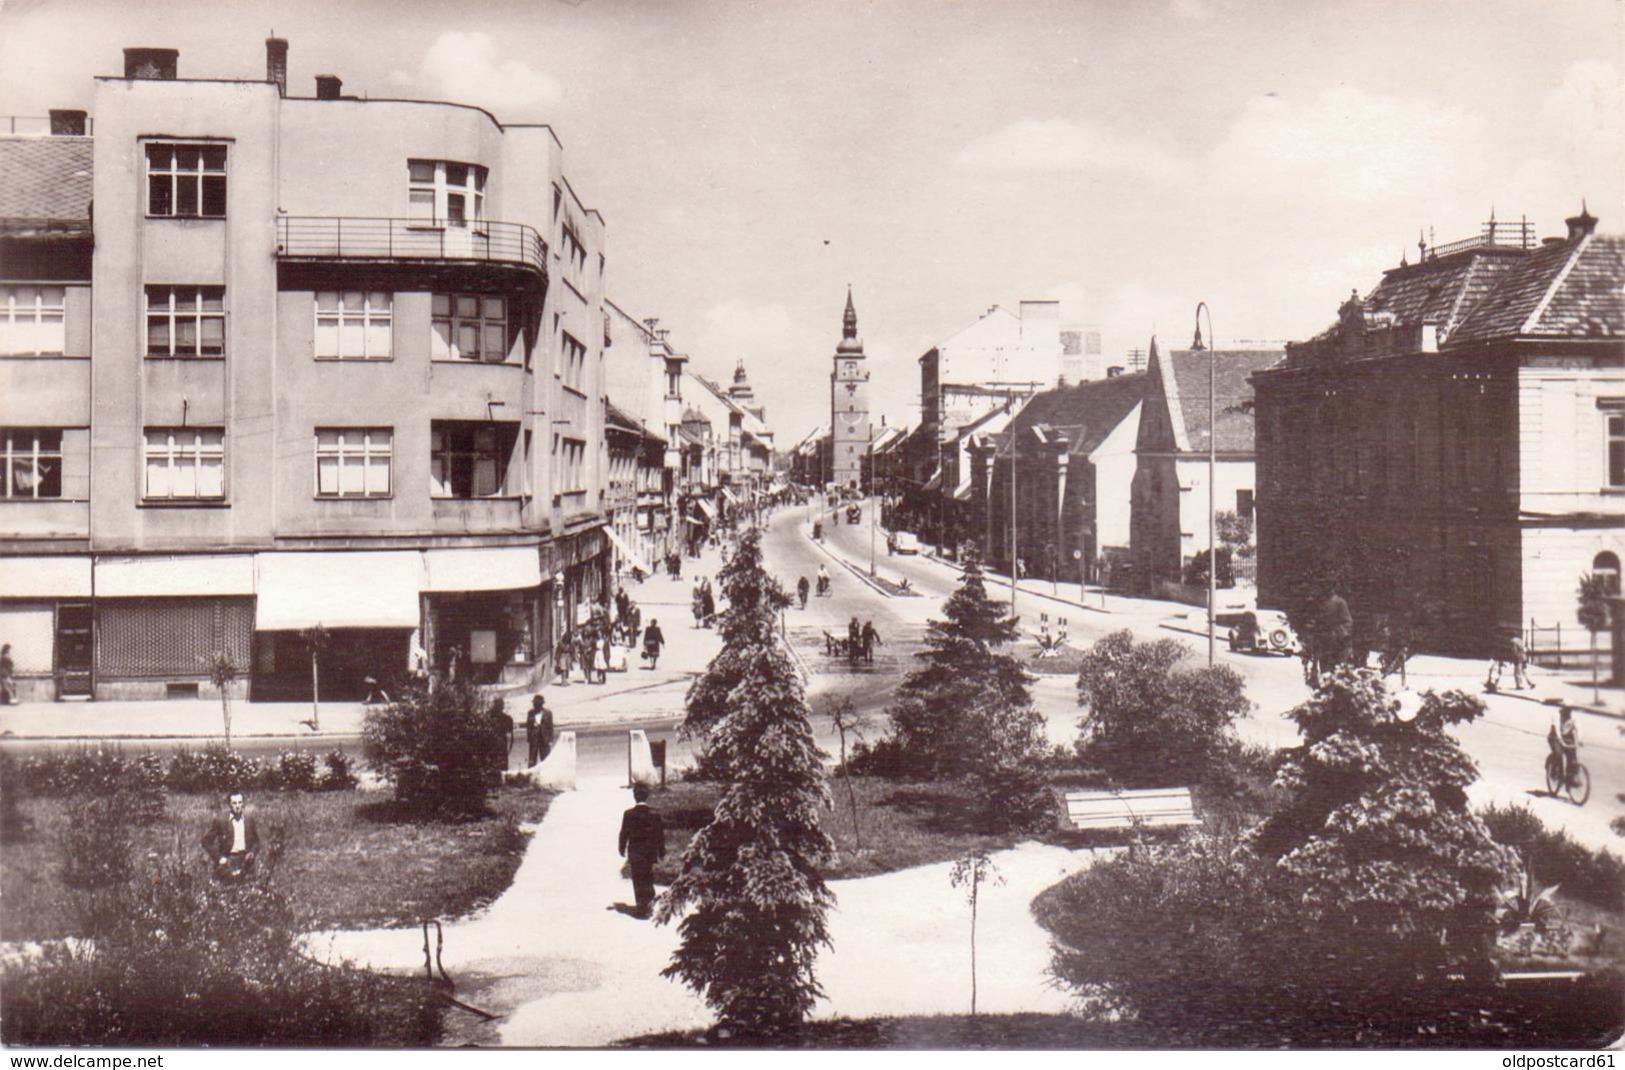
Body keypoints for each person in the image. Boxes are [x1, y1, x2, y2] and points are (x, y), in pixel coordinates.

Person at [618, 783, 666, 919]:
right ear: (647, 796)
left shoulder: (629, 814)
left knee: (638, 878)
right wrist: (661, 851)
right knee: (648, 876)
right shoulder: (654, 814)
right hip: (649, 852)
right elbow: (659, 834)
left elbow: (624, 833)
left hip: (635, 852)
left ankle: (641, 906)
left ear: (634, 796)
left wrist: (621, 848)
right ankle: (649, 904)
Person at [203, 790, 260, 881]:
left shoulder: (249, 820)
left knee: (249, 890)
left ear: (243, 804)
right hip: (228, 860)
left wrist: (252, 853)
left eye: (240, 803)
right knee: (228, 890)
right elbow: (206, 841)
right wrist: (219, 858)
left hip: (246, 861)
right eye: (234, 803)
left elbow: (256, 842)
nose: (237, 806)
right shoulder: (221, 821)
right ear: (229, 804)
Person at [1549, 705, 1581, 787]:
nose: (1569, 710)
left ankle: (1570, 778)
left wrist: (1579, 740)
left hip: (1566, 738)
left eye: (1570, 708)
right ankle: (1556, 774)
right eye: (1567, 708)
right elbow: (1556, 728)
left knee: (1572, 756)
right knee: (1558, 754)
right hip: (1554, 737)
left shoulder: (1572, 717)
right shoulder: (1556, 715)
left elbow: (1577, 728)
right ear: (1563, 708)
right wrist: (1560, 740)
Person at [525, 694, 554, 767]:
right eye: (535, 704)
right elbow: (528, 726)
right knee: (532, 760)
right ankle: (531, 775)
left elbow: (550, 727)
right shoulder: (530, 713)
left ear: (541, 704)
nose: (536, 706)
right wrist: (529, 737)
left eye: (538, 704)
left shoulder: (548, 713)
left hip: (544, 739)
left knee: (545, 760)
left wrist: (550, 740)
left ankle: (546, 775)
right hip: (534, 739)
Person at [487, 697, 514, 771]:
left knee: (502, 770)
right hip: (491, 748)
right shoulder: (488, 717)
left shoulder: (507, 719)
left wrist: (508, 750)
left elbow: (509, 736)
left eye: (500, 705)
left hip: (501, 748)